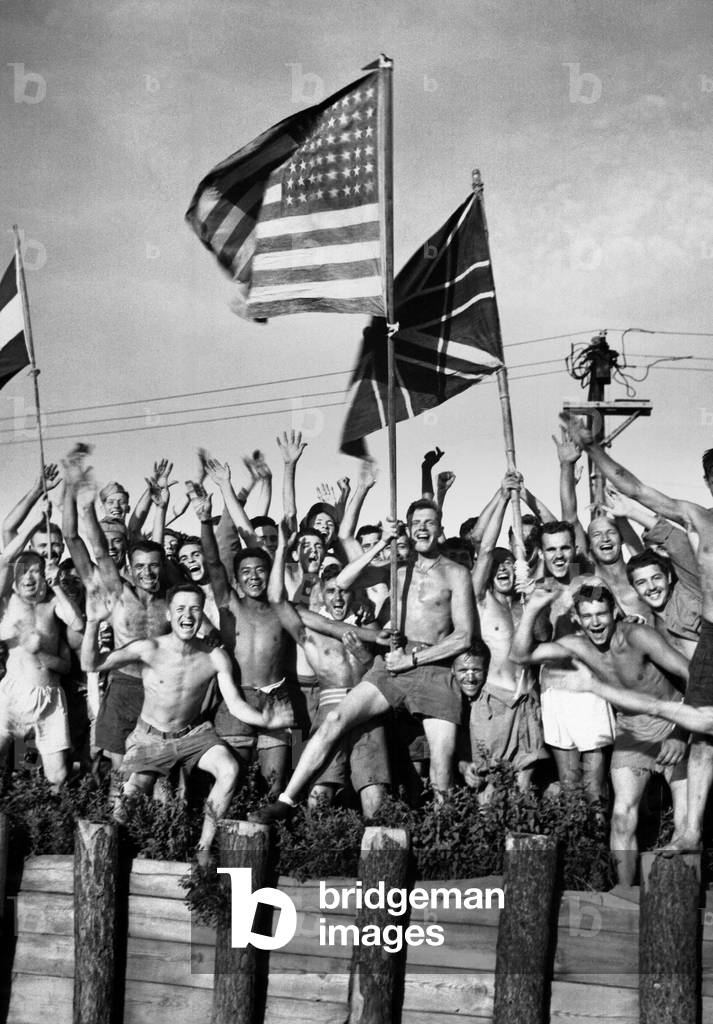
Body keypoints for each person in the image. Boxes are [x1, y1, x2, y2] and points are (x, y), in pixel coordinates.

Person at [249, 497, 475, 824]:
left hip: (434, 665)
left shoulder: (456, 573)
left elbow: (464, 636)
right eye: (416, 524)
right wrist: (383, 541)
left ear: (440, 526)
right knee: (334, 720)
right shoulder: (394, 570)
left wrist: (413, 659)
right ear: (408, 530)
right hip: (391, 664)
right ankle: (285, 801)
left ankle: (440, 839)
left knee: (442, 765)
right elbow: (341, 581)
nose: (423, 528)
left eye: (430, 522)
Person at [562, 416, 713, 853]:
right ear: (707, 482)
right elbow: (636, 487)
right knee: (703, 736)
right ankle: (690, 832)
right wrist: (592, 449)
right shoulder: (698, 518)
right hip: (712, 638)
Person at [80, 582, 292, 858]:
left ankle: (204, 848)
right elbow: (91, 664)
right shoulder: (149, 648)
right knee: (127, 802)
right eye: (180, 609)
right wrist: (94, 623)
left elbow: (237, 706)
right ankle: (115, 857)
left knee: (228, 769)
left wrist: (268, 719)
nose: (188, 615)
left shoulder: (214, 656)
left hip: (193, 735)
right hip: (151, 738)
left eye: (194, 609)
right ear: (169, 614)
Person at [510, 582, 689, 884]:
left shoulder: (638, 636)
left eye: (602, 614)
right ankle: (625, 893)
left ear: (615, 612)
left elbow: (690, 674)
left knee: (684, 824)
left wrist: (681, 732)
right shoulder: (578, 644)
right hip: (633, 731)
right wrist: (531, 608)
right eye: (588, 616)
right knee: (621, 817)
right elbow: (520, 656)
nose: (596, 622)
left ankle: (683, 897)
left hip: (674, 721)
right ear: (578, 619)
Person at [268, 525, 390, 816]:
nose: (338, 597)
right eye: (331, 591)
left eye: (345, 591)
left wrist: (363, 653)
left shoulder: (369, 626)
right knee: (318, 791)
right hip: (327, 704)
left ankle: (376, 852)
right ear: (320, 596)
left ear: (356, 595)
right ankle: (315, 852)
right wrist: (282, 548)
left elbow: (381, 671)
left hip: (368, 710)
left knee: (375, 792)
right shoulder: (310, 631)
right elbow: (276, 600)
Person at [194, 489, 295, 798]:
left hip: (278, 699)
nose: (254, 577)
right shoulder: (229, 605)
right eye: (246, 572)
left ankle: (276, 838)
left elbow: (288, 528)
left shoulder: (282, 606)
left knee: (276, 784)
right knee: (233, 784)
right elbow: (213, 563)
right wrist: (204, 522)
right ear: (236, 580)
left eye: (260, 570)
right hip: (235, 701)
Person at [470, 474, 546, 792]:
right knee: (489, 791)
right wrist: (503, 497)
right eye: (497, 565)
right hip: (494, 703)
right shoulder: (481, 600)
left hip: (528, 701)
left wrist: (525, 497)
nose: (503, 567)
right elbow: (485, 548)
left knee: (525, 790)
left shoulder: (527, 599)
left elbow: (541, 636)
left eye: (509, 563)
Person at [536, 520, 615, 799]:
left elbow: (601, 620)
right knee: (568, 783)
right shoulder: (538, 588)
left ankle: (598, 838)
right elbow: (541, 636)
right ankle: (575, 839)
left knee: (594, 784)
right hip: (553, 689)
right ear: (542, 553)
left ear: (575, 549)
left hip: (587, 687)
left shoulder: (588, 583)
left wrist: (569, 599)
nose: (558, 555)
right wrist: (537, 605)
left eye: (564, 548)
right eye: (551, 549)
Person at [0, 547, 84, 789]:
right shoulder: (8, 602)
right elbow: (8, 538)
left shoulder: (51, 604)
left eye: (35, 571)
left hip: (50, 697)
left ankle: (34, 794)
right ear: (14, 580)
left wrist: (56, 583)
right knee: (9, 755)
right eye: (23, 572)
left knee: (57, 776)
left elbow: (77, 622)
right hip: (14, 694)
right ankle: (15, 798)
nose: (29, 577)